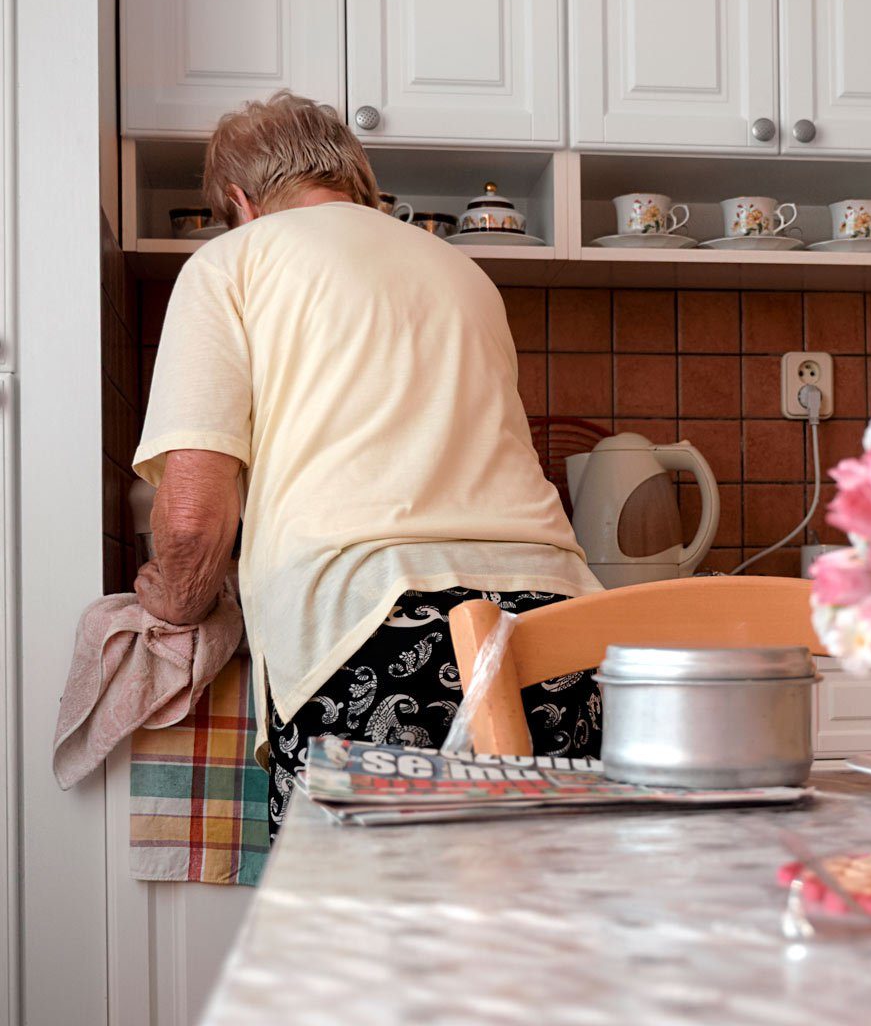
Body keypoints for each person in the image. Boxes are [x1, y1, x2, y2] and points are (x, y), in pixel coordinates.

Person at [133, 92, 602, 838]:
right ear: (355, 179)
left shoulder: (231, 261)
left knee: (359, 938)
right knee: (536, 925)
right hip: (559, 629)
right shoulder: (463, 272)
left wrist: (172, 601)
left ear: (237, 201)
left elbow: (192, 514)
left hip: (372, 631)